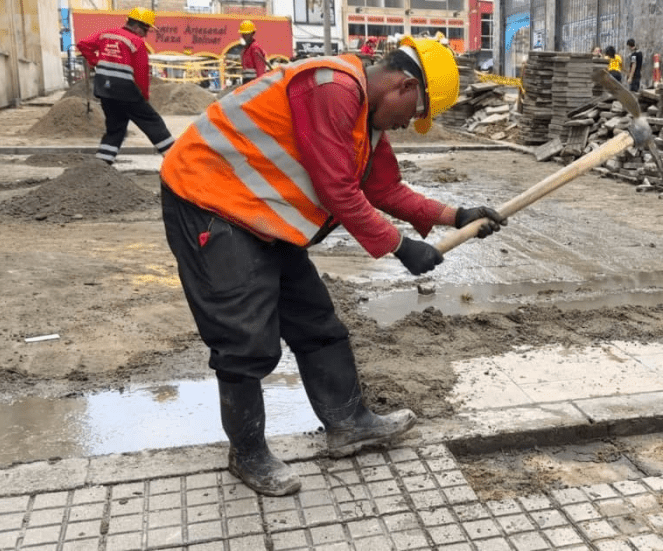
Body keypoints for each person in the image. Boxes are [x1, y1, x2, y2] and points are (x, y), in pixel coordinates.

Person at [159, 36, 508, 497]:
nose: (407, 125)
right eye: (414, 114)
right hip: (210, 202)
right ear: (404, 86)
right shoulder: (331, 87)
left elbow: (385, 189)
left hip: (262, 214)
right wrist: (400, 246)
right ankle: (248, 454)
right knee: (245, 340)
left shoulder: (365, 118)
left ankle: (349, 423)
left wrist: (456, 215)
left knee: (317, 323)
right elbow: (337, 189)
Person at [76, 7, 174, 164]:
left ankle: (101, 164)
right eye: (146, 30)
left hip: (104, 90)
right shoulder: (136, 42)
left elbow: (82, 44)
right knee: (152, 122)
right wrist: (144, 96)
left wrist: (94, 61)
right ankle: (174, 159)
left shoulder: (106, 34)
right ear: (138, 27)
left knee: (115, 128)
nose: (145, 34)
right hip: (126, 91)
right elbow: (141, 74)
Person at [239, 20, 270, 84]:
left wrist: (259, 86)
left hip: (254, 84)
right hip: (247, 83)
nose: (244, 36)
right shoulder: (246, 49)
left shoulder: (255, 48)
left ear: (252, 33)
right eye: (243, 34)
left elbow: (260, 70)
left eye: (247, 34)